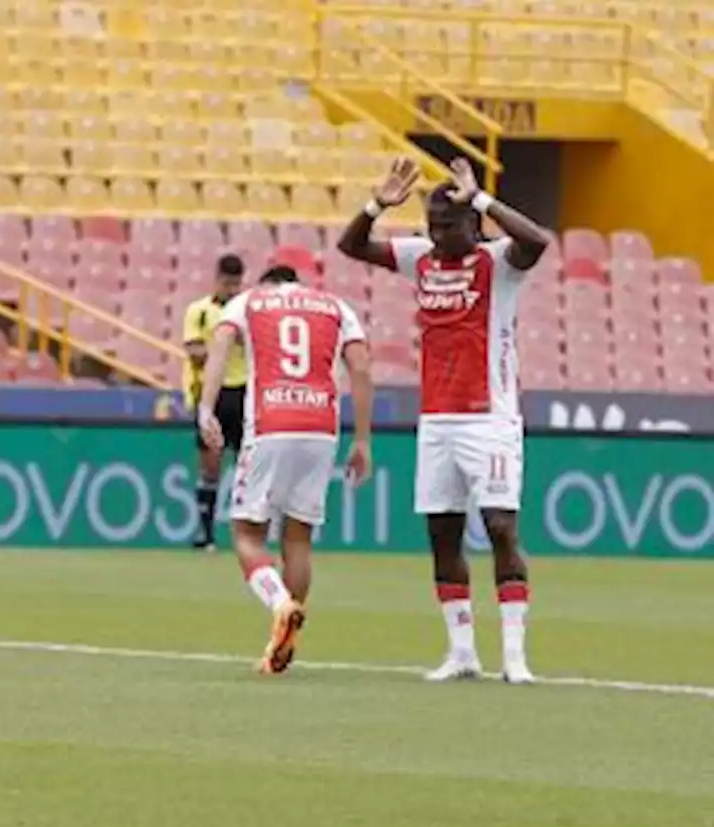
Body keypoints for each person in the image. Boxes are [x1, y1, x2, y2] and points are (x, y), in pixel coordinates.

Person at [336, 156, 551, 685]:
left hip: (490, 418)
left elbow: (539, 241)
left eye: (447, 227)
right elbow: (351, 245)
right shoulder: (421, 259)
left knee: (501, 527)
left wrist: (480, 196)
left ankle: (515, 655)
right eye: (431, 227)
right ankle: (462, 652)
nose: (436, 236)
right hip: (436, 419)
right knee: (442, 533)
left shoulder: (498, 262)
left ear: (472, 227)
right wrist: (376, 206)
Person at [197, 251, 374, 674]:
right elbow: (362, 369)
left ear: (266, 278)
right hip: (321, 427)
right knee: (298, 540)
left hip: (272, 420)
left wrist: (206, 409)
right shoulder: (336, 306)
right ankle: (284, 640)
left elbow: (218, 351)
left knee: (246, 534)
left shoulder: (248, 302)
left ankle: (281, 604)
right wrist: (363, 439)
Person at [182, 253, 248, 550]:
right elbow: (193, 350)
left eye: (236, 284)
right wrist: (220, 347)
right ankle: (205, 533)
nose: (232, 290)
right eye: (227, 283)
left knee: (248, 466)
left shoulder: (247, 312)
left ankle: (248, 534)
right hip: (213, 392)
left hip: (245, 390)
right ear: (217, 279)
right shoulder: (200, 311)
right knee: (210, 465)